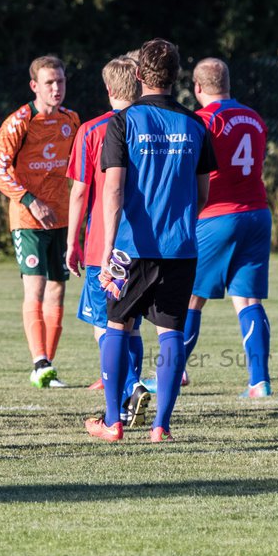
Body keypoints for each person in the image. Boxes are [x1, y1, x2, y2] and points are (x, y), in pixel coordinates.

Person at [86, 39, 215, 443]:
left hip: (130, 245)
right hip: (180, 246)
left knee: (116, 325)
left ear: (138, 75)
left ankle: (113, 422)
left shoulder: (123, 122)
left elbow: (113, 190)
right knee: (170, 332)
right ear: (176, 77)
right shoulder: (196, 124)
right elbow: (204, 192)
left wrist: (107, 248)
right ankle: (161, 426)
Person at [182, 58, 274, 398]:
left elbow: (193, 171)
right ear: (228, 83)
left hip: (217, 215)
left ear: (197, 88)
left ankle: (174, 372)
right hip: (257, 213)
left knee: (190, 298)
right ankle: (259, 382)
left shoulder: (204, 121)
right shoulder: (254, 117)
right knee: (248, 299)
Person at [66, 55, 149, 426]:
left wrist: (72, 242)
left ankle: (129, 388)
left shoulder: (94, 129)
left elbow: (81, 192)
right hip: (147, 244)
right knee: (132, 325)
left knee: (104, 324)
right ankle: (133, 392)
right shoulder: (157, 125)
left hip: (106, 245)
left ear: (109, 89)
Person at [0, 55, 81, 388]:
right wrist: (30, 199)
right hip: (28, 219)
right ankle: (39, 361)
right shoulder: (19, 122)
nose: (56, 88)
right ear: (34, 86)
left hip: (61, 217)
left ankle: (48, 367)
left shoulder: (72, 120)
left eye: (61, 81)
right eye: (49, 83)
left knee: (58, 289)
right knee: (36, 287)